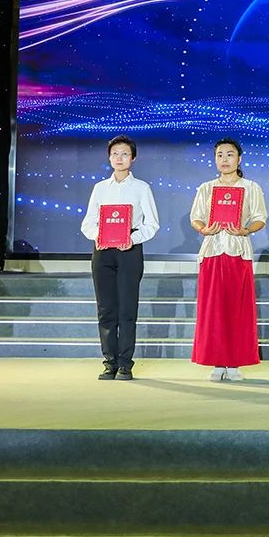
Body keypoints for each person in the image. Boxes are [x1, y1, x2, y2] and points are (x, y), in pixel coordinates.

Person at [80, 134, 160, 380]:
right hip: (102, 252)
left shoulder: (142, 188)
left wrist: (132, 239)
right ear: (109, 158)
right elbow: (87, 223)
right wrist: (99, 236)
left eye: (125, 153)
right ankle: (109, 363)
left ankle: (125, 363)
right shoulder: (100, 188)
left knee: (126, 309)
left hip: (129, 252)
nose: (119, 158)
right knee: (106, 310)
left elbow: (152, 224)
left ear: (133, 158)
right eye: (115, 154)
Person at [190, 138, 268, 381]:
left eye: (230, 154)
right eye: (220, 155)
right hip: (212, 251)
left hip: (238, 252)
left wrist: (246, 230)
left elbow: (260, 218)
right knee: (213, 310)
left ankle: (234, 363)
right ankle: (217, 362)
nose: (224, 159)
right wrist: (203, 229)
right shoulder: (206, 188)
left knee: (237, 309)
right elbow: (195, 217)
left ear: (239, 159)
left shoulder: (251, 187)